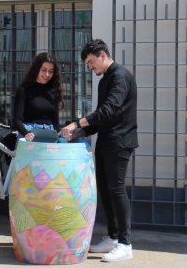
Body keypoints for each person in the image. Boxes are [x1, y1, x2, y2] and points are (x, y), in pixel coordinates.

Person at [59, 39, 138, 263]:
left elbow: (108, 110)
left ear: (102, 55)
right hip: (105, 141)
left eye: (91, 62)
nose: (90, 67)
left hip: (120, 142)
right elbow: (101, 118)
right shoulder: (105, 80)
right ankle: (113, 237)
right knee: (104, 189)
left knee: (117, 189)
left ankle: (125, 244)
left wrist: (77, 123)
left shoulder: (120, 76)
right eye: (87, 64)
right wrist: (77, 132)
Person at [12, 52, 63, 141]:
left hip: (49, 136)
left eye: (51, 71)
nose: (47, 75)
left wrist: (60, 137)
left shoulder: (54, 91)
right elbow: (17, 120)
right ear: (36, 69)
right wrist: (26, 133)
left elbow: (56, 123)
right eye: (43, 70)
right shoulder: (23, 90)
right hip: (29, 135)